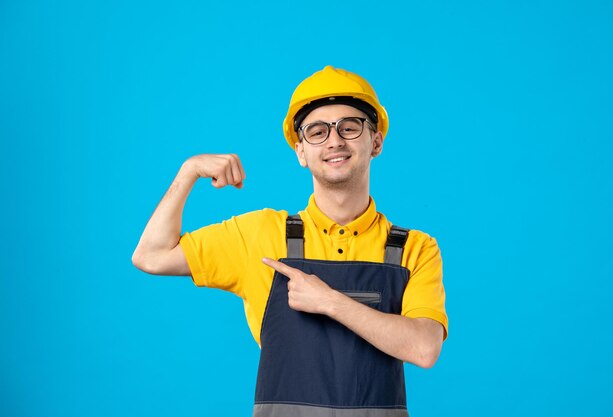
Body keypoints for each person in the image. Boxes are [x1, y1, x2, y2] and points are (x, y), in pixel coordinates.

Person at [132, 65, 448, 417]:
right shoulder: (262, 234)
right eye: (317, 131)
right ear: (301, 152)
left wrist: (330, 301)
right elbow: (152, 255)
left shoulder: (415, 249)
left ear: (375, 141)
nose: (334, 141)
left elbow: (424, 348)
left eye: (349, 126)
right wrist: (188, 171)